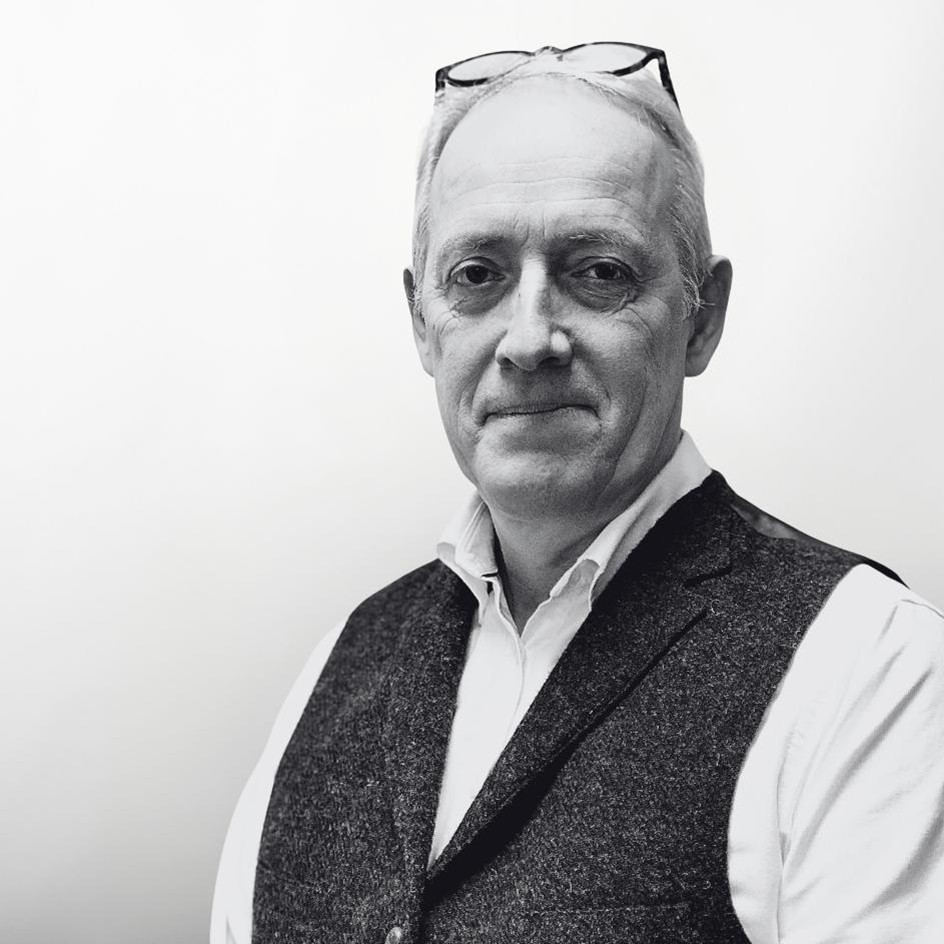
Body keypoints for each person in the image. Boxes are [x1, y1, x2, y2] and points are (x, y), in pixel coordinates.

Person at [211, 43, 944, 944]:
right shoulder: (337, 671)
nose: (528, 340)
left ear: (702, 318)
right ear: (423, 325)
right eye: (477, 275)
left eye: (599, 272)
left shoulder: (871, 669)